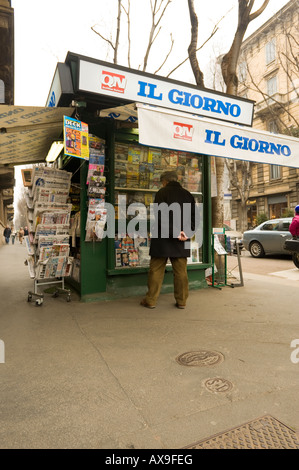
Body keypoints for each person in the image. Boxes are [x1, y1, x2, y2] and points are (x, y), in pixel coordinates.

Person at [140, 170, 198, 309]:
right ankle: (182, 301)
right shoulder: (187, 194)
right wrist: (186, 233)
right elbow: (195, 217)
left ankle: (151, 300)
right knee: (181, 272)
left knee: (156, 270)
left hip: (163, 238)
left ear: (164, 181)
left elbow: (160, 216)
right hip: (182, 239)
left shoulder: (162, 193)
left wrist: (174, 232)